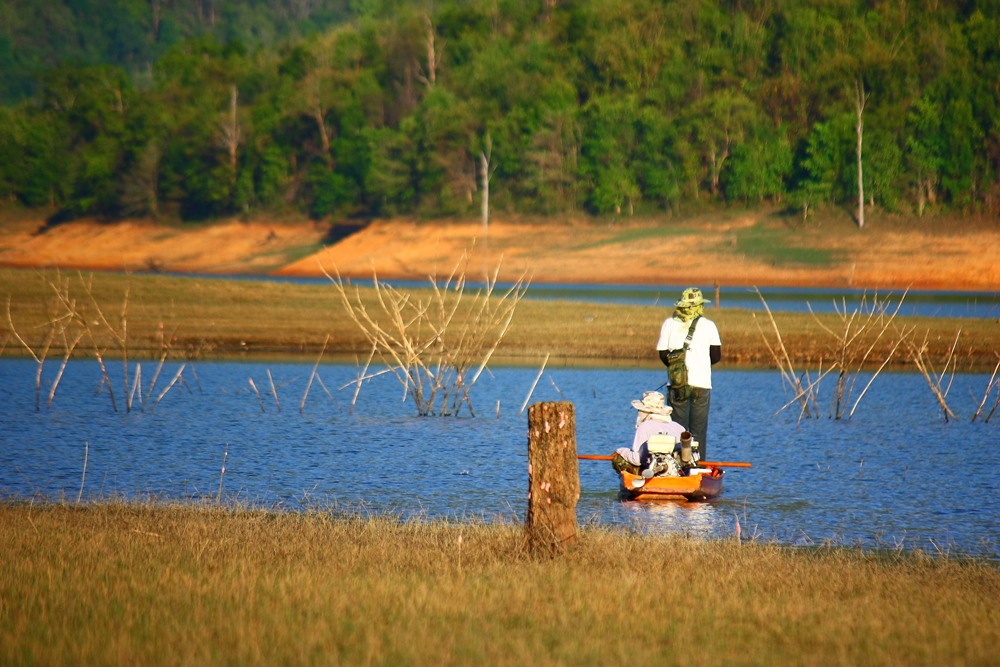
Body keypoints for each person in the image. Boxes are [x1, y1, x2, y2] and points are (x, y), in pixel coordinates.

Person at [656, 287, 721, 460]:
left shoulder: (669, 323)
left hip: (677, 386)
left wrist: (676, 371)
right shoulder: (709, 326)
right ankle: (697, 468)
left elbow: (663, 354)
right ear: (700, 306)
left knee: (677, 430)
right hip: (702, 385)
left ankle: (677, 468)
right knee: (698, 432)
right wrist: (701, 364)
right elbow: (716, 356)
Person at [612, 390, 686, 476]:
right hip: (678, 471)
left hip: (655, 472)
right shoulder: (679, 427)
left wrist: (620, 451)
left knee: (621, 460)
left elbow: (637, 459)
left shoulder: (644, 426)